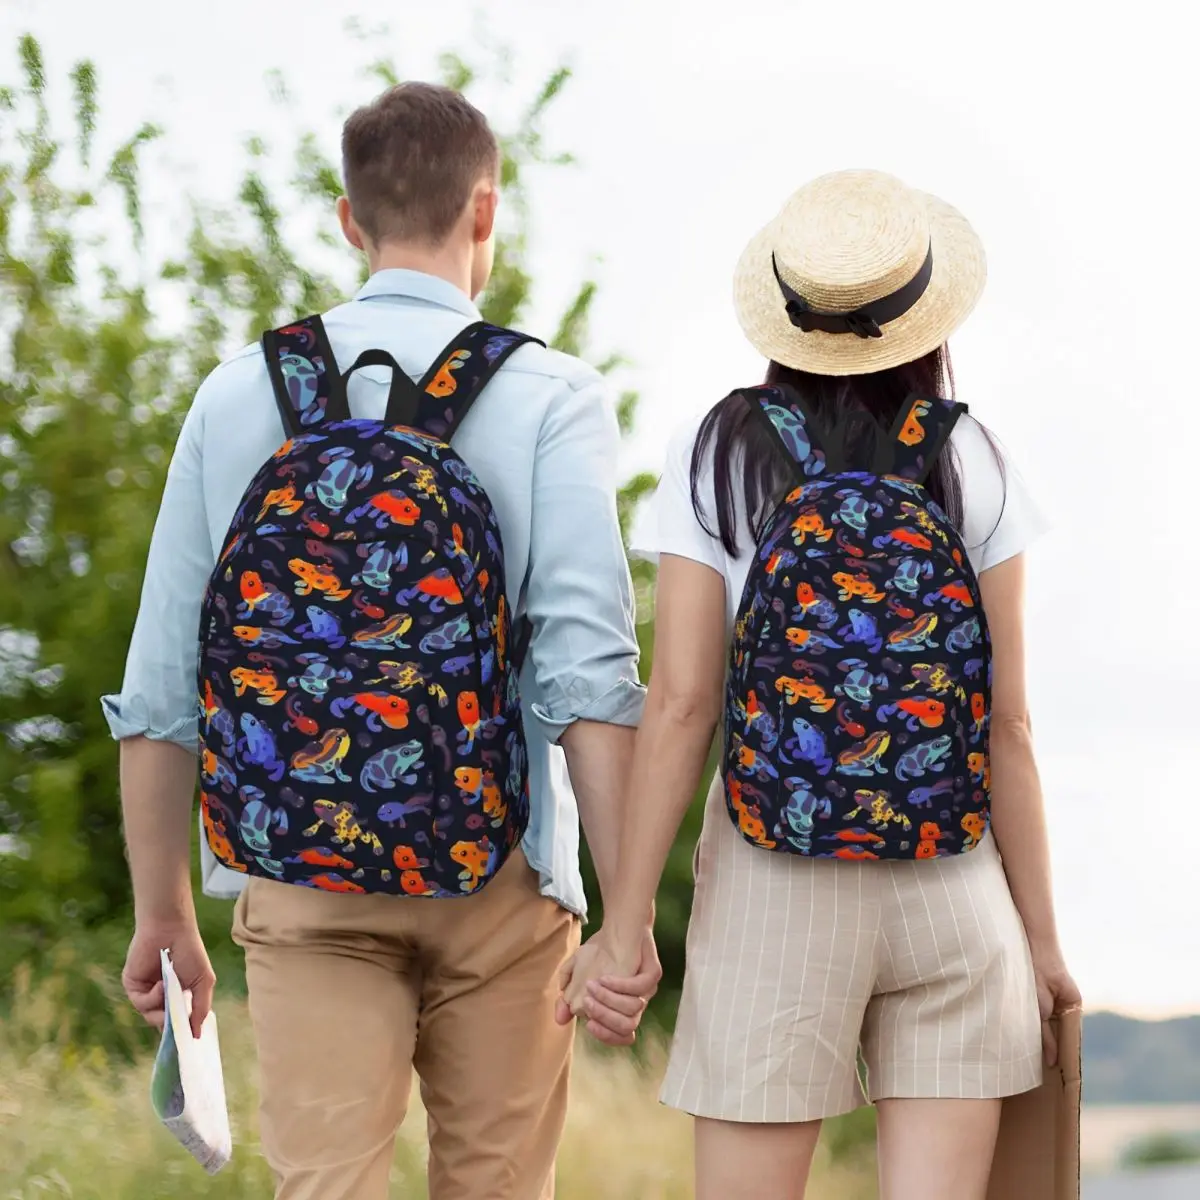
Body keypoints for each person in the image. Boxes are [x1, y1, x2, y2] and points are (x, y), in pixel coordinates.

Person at [104, 81, 660, 1200]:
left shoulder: (236, 395)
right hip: (501, 872)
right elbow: (588, 679)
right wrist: (627, 915)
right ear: (486, 213)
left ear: (349, 220)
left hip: (300, 874)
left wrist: (163, 911)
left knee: (326, 1186)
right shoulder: (550, 395)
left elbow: (164, 681)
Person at [559, 169, 1081, 1200]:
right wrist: (1043, 943)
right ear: (925, 317)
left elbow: (682, 705)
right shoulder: (974, 456)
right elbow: (1008, 725)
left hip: (772, 882)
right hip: (953, 883)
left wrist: (623, 928)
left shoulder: (717, 452)